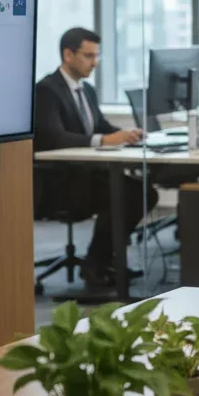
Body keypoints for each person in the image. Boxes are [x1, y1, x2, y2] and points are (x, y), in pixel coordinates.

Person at [34, 27, 156, 288]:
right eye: (89, 56)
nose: (95, 63)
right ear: (68, 54)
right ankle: (97, 264)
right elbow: (54, 137)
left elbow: (99, 125)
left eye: (97, 56)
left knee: (142, 191)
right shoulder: (46, 90)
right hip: (59, 183)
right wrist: (102, 140)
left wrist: (126, 134)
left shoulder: (86, 90)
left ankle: (102, 261)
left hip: (86, 176)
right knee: (126, 194)